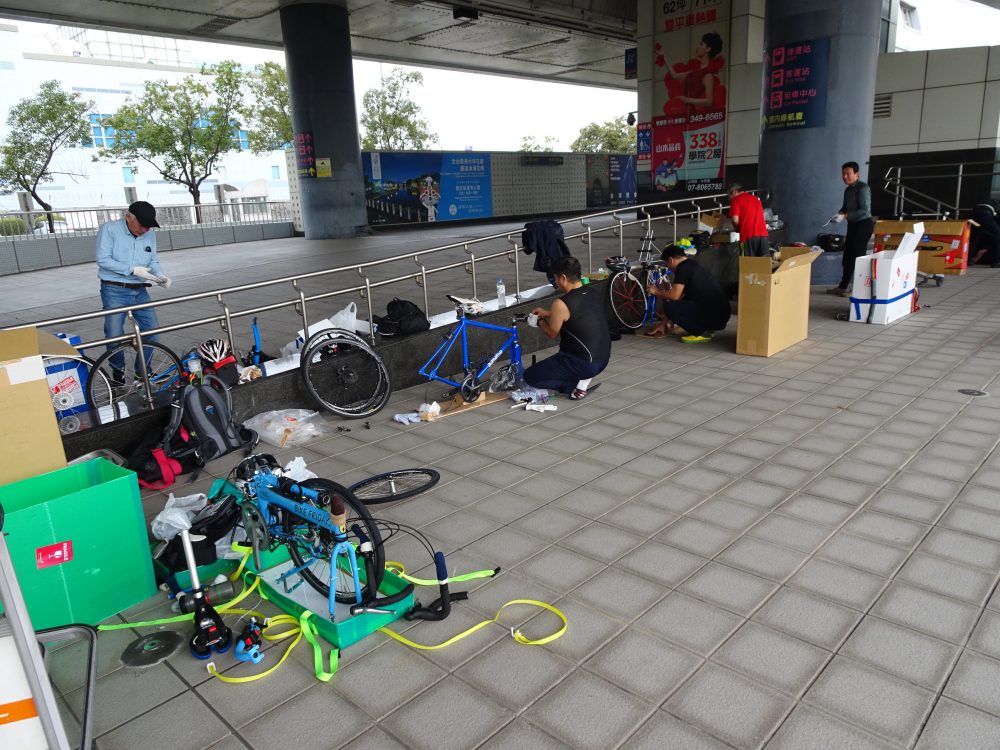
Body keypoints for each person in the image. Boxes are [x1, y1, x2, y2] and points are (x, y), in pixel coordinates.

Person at [96, 201, 171, 382]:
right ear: (129, 217)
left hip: (139, 290)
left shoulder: (149, 234)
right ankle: (118, 371)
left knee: (151, 331)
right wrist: (132, 269)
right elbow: (103, 259)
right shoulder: (109, 230)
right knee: (114, 334)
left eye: (148, 226)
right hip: (114, 289)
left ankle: (142, 372)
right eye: (142, 225)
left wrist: (160, 276)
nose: (145, 229)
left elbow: (152, 260)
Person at [523, 255, 610, 400]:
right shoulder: (592, 292)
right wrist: (549, 313)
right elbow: (578, 313)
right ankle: (582, 378)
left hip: (581, 363)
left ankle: (575, 385)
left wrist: (539, 322)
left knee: (530, 376)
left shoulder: (560, 303)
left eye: (555, 279)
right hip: (602, 359)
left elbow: (552, 333)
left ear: (563, 278)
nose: (556, 283)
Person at [644, 244, 730, 343]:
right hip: (721, 317)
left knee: (670, 306)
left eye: (666, 264)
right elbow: (681, 297)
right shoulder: (691, 265)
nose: (668, 268)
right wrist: (663, 324)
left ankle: (702, 333)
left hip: (715, 317)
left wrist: (656, 292)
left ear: (671, 260)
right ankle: (708, 329)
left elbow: (674, 296)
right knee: (677, 304)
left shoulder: (682, 268)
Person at [827, 161, 873, 297]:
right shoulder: (848, 189)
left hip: (864, 225)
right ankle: (843, 286)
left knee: (858, 257)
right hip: (853, 225)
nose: (845, 177)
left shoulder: (863, 188)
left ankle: (858, 290)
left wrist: (846, 215)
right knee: (847, 257)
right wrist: (839, 214)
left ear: (857, 174)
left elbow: (865, 211)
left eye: (848, 174)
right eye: (843, 174)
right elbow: (844, 208)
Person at [656, 32, 727, 116]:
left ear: (708, 49)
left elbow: (709, 101)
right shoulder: (694, 71)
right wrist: (663, 56)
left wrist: (687, 99)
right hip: (685, 111)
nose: (697, 47)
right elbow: (674, 75)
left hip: (692, 114)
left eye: (701, 44)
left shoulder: (708, 75)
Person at [728, 183, 769, 257]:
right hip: (763, 235)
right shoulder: (756, 199)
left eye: (730, 195)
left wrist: (736, 228)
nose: (730, 198)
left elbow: (735, 220)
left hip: (748, 236)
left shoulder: (736, 200)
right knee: (764, 264)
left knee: (747, 264)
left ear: (734, 191)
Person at [970, 199, 1000, 267]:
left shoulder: (993, 201)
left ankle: (969, 259)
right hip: (986, 212)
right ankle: (996, 261)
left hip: (975, 212)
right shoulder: (995, 205)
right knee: (997, 236)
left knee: (974, 237)